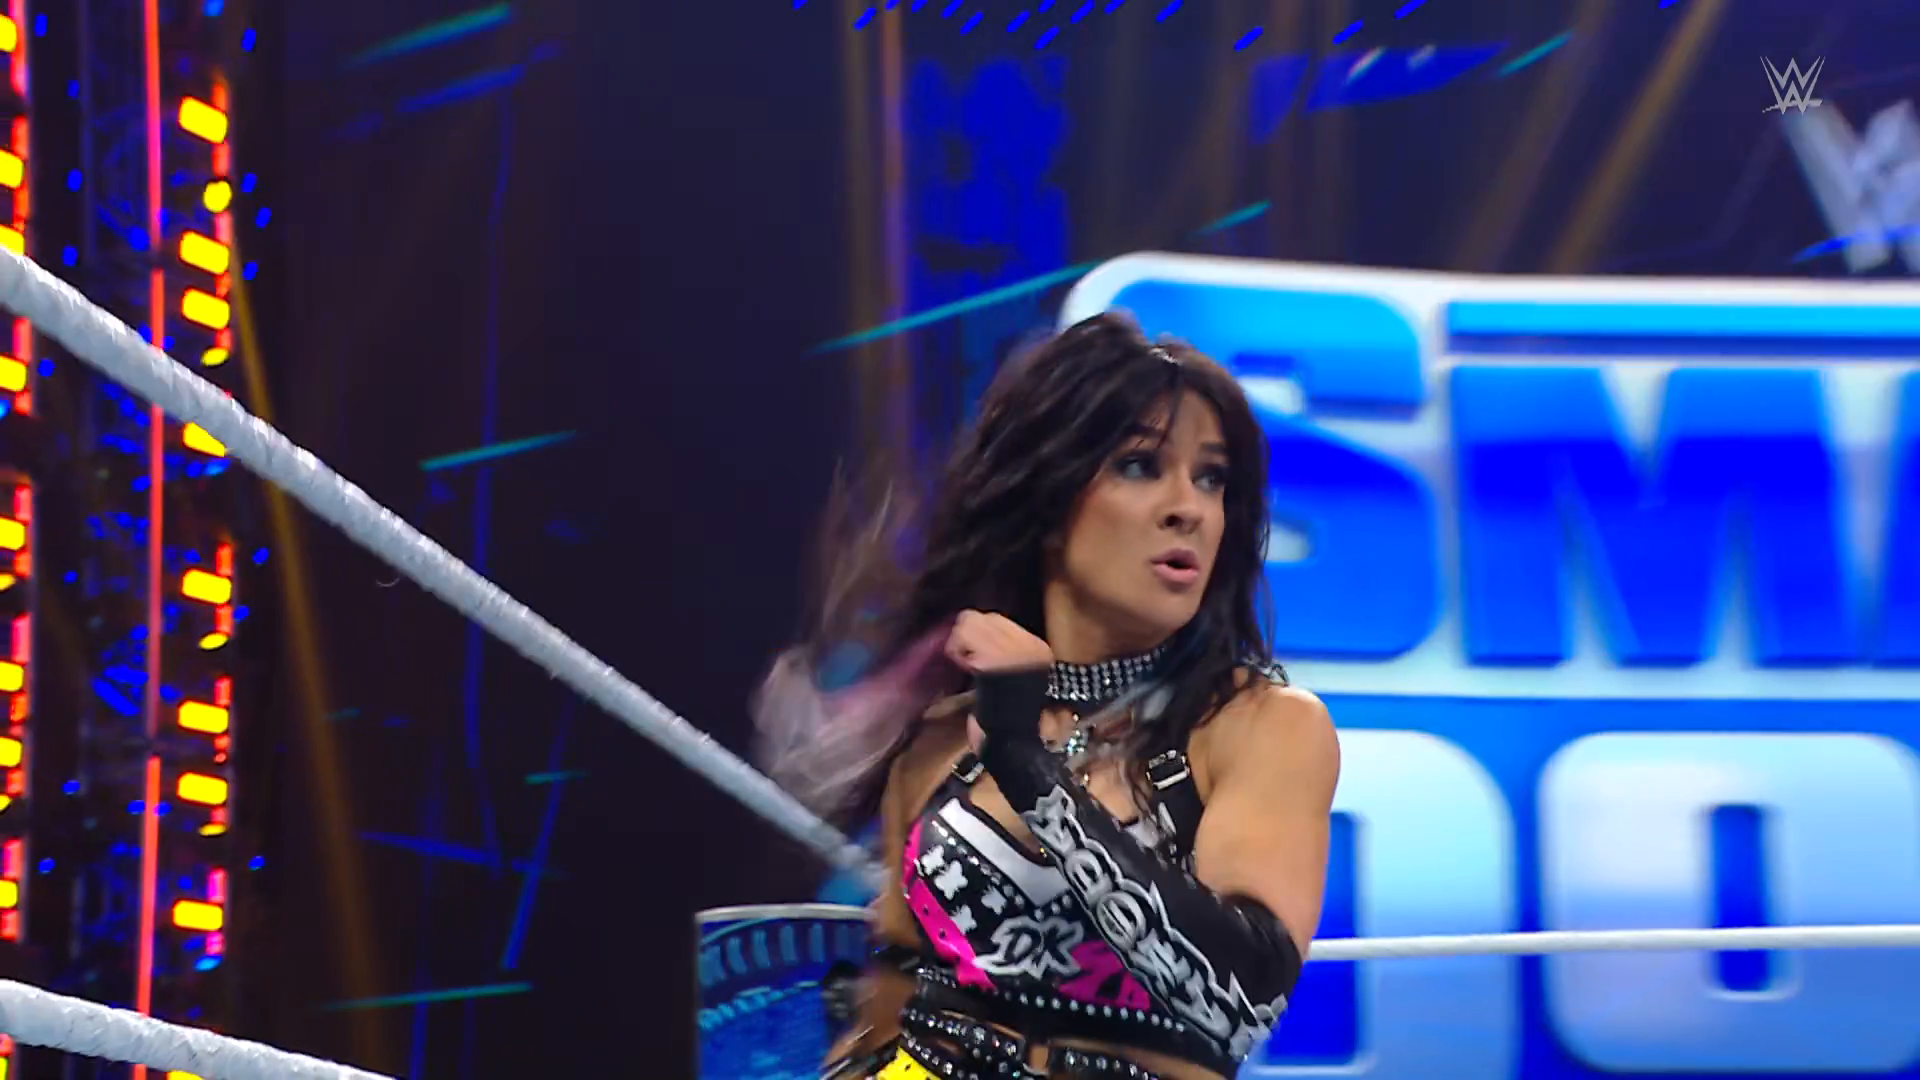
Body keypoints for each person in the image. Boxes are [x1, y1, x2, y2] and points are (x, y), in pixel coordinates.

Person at [754, 312, 1340, 1080]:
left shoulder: (1261, 727)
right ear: (1051, 499)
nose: (1189, 508)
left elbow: (1235, 1003)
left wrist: (1029, 769)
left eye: (1211, 478)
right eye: (1140, 465)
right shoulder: (940, 741)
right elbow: (886, 1008)